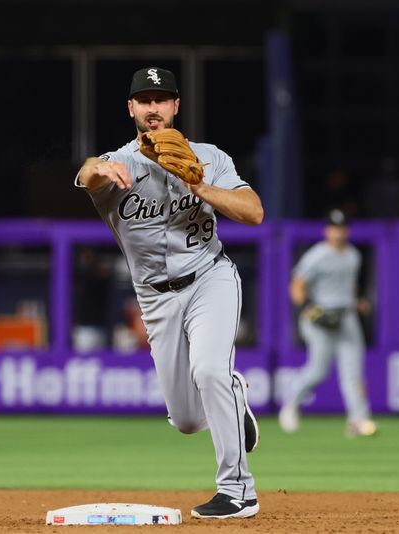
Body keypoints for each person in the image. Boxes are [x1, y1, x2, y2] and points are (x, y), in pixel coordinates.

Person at [75, 67, 264, 520]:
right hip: (155, 299)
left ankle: (239, 491)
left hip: (209, 279)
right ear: (132, 109)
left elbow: (254, 212)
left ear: (176, 106)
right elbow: (87, 176)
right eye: (145, 99)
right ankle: (233, 396)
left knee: (210, 369)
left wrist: (200, 185)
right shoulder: (117, 164)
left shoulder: (208, 158)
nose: (153, 107)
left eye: (162, 99)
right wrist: (97, 167)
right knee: (186, 421)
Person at [279, 209, 377, 438]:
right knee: (318, 370)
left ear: (346, 230)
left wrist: (356, 302)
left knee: (353, 371)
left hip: (346, 316)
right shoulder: (318, 255)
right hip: (320, 318)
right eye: (333, 228)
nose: (337, 232)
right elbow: (297, 284)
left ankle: (358, 419)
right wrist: (306, 307)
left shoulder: (353, 255)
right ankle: (291, 403)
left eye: (341, 227)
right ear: (326, 230)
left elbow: (349, 286)